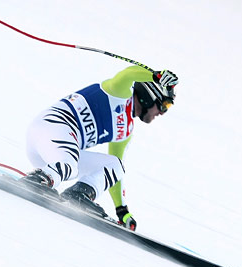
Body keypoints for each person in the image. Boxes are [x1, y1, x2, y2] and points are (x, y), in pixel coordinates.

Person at [22, 65, 178, 231]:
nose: (162, 113)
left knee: (116, 166)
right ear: (149, 95)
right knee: (70, 165)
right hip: (49, 129)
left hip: (56, 156)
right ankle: (38, 179)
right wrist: (156, 76)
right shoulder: (119, 93)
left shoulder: (126, 130)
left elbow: (113, 172)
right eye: (164, 105)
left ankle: (79, 194)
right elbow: (128, 74)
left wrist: (122, 211)